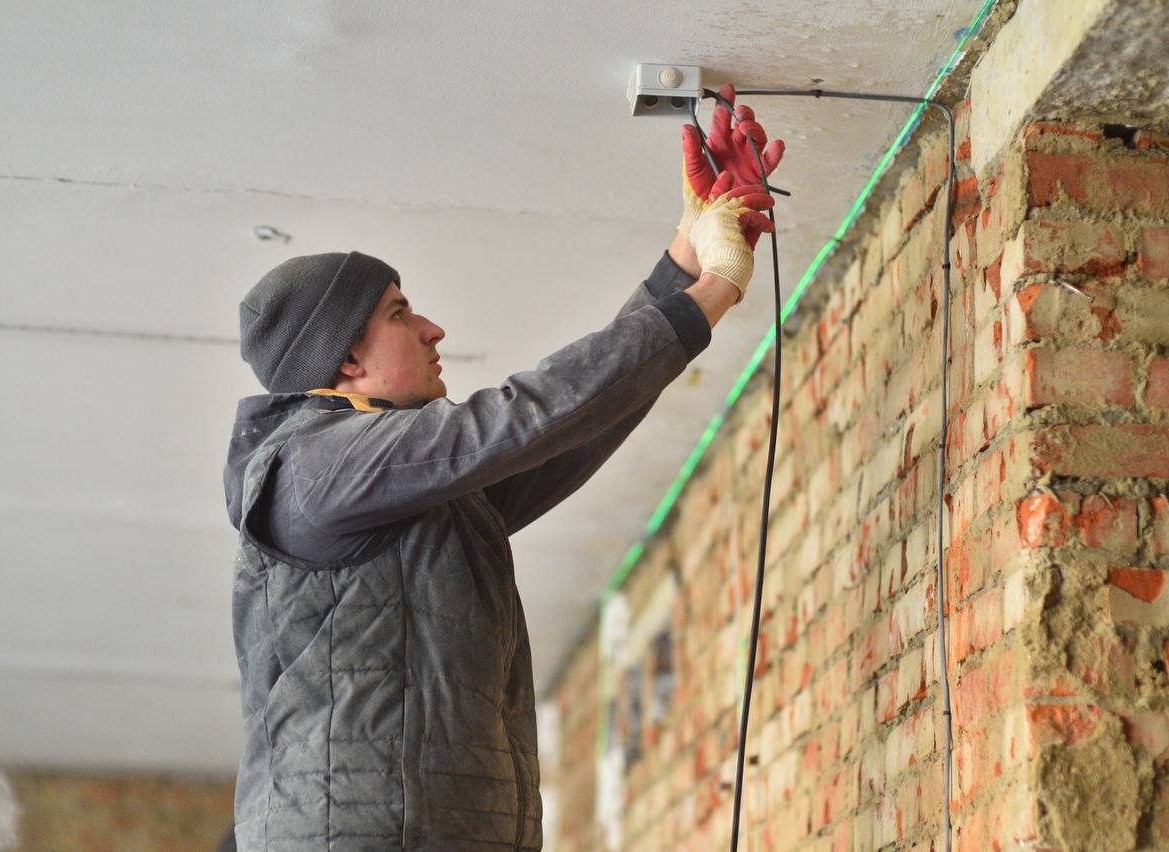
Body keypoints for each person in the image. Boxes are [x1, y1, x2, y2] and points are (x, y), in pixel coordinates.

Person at [222, 84, 784, 850]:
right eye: (399, 314)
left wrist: (687, 256)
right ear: (346, 359)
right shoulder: (313, 467)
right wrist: (714, 290)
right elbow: (523, 417)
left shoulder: (400, 491)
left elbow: (564, 429)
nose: (432, 328)